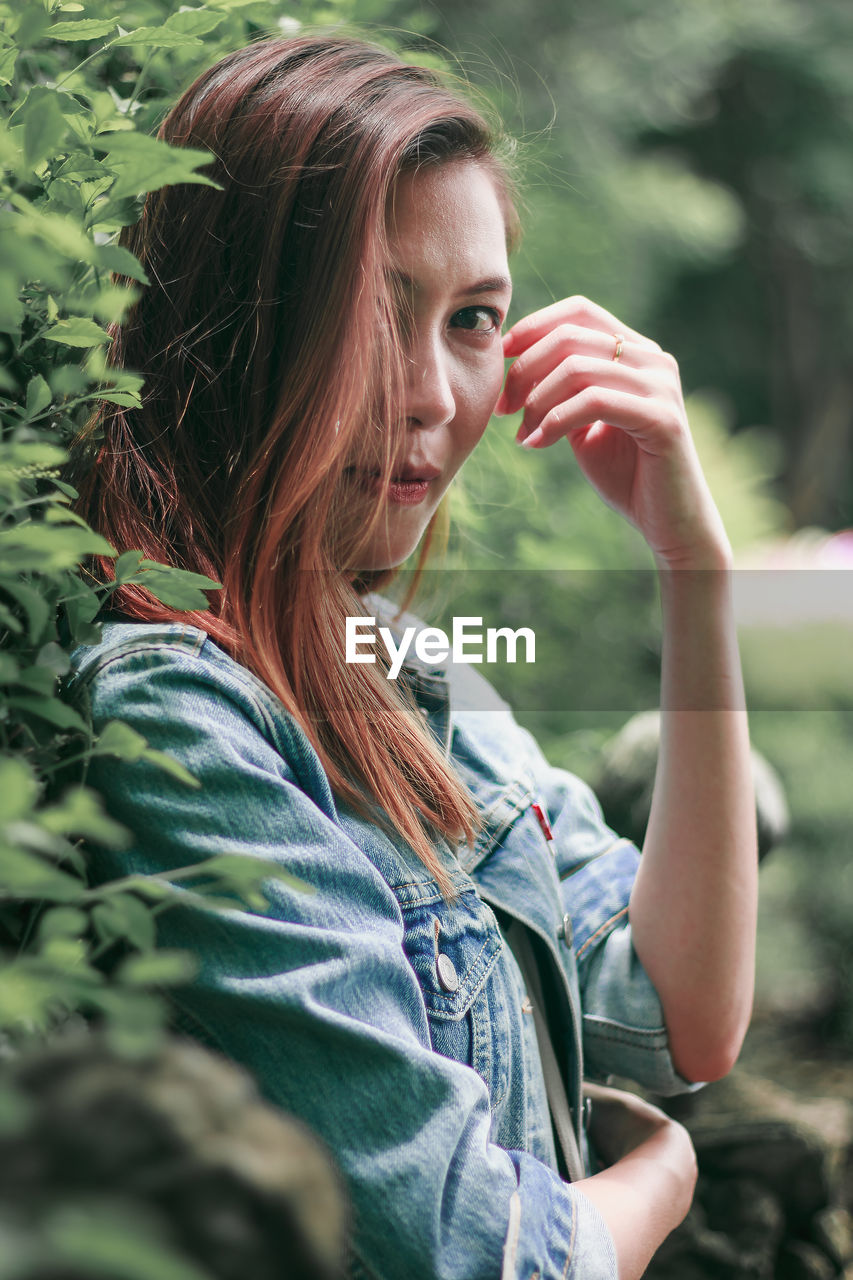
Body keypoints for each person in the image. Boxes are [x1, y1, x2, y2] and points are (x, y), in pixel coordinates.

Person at [64, 33, 758, 1280]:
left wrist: (693, 578)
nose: (436, 393)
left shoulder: (398, 663)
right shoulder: (177, 713)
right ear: (233, 321)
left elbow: (677, 1015)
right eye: (372, 313)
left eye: (474, 320)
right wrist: (659, 1181)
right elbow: (474, 1250)